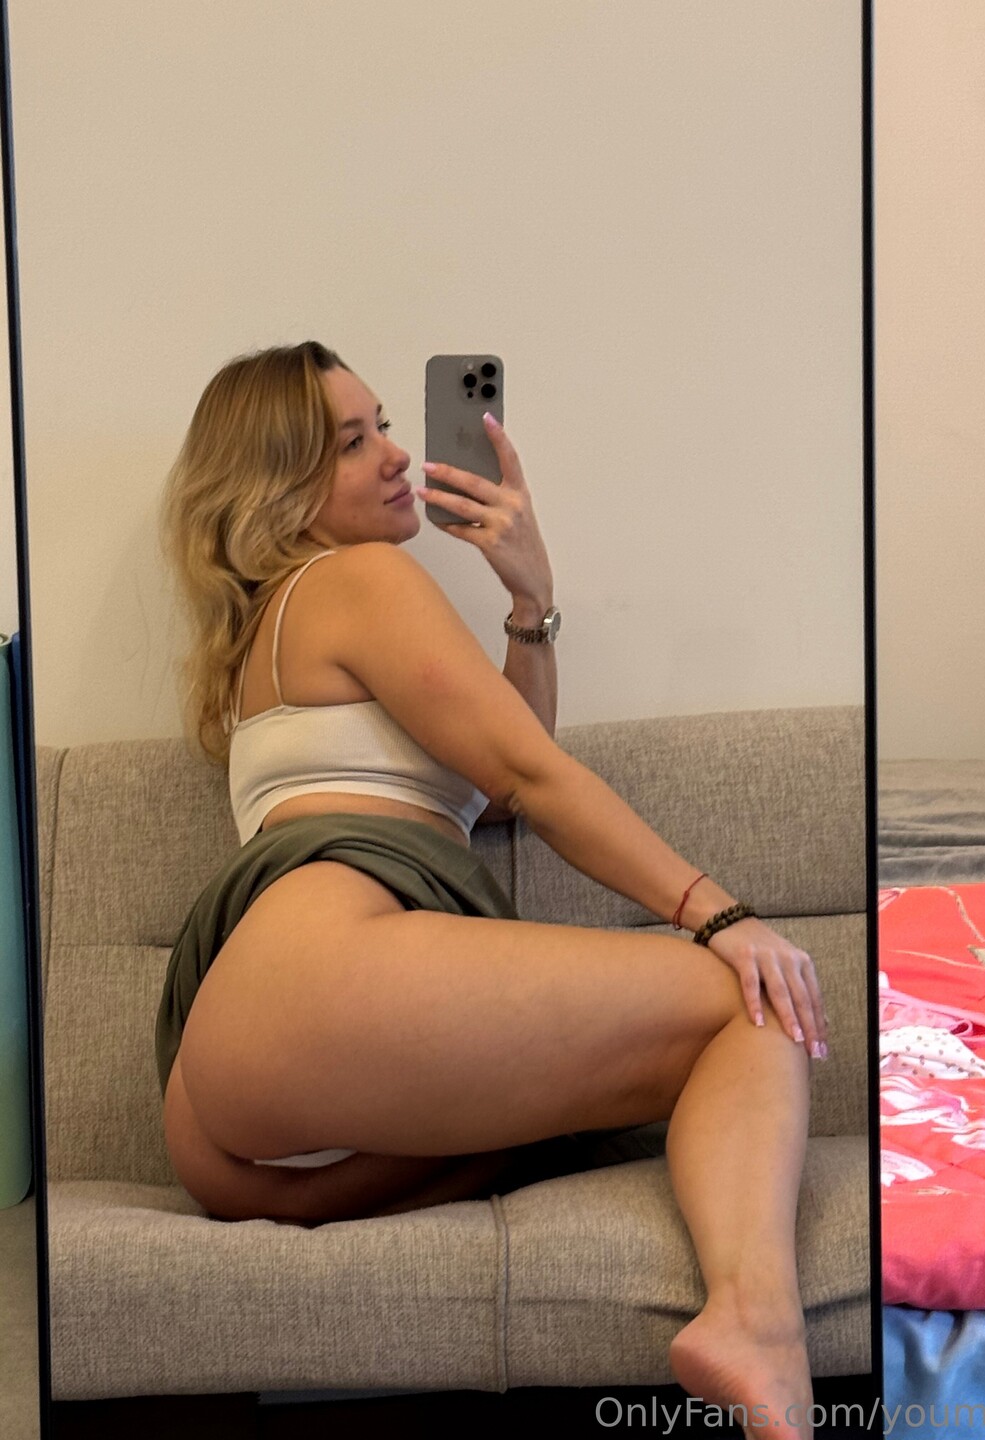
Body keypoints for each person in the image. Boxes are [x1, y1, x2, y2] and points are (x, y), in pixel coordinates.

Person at [155, 340, 827, 1438]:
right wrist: (719, 913)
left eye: (385, 425)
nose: (396, 456)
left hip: (231, 1105)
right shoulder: (358, 580)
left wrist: (530, 601)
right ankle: (756, 1319)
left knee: (631, 1084)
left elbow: (502, 776)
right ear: (278, 485)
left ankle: (751, 1324)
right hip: (317, 987)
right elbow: (530, 775)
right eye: (351, 442)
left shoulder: (273, 625)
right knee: (759, 1004)